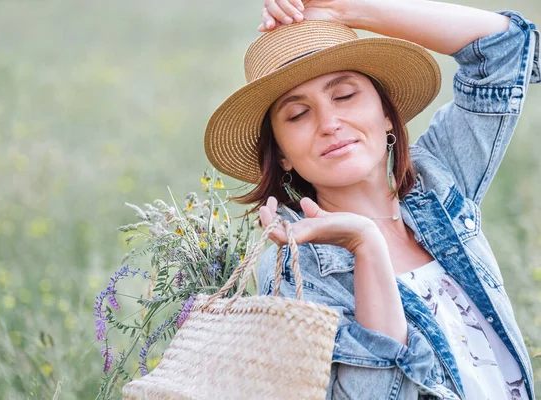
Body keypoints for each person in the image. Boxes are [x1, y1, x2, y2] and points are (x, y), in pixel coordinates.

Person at [203, 0, 539, 398]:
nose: (329, 124)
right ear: (282, 155)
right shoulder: (294, 261)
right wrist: (365, 246)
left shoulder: (437, 178)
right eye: (297, 115)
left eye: (344, 95)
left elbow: (507, 46)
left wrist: (342, 10)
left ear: (385, 113)